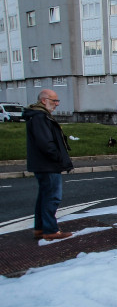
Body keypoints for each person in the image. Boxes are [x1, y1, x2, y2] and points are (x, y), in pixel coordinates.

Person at [25, 89, 74, 241]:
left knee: (44, 196)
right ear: (44, 100)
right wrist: (58, 158)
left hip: (42, 164)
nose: (57, 104)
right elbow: (46, 143)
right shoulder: (40, 117)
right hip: (48, 164)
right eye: (54, 101)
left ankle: (40, 228)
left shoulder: (37, 115)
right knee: (52, 197)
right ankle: (51, 230)